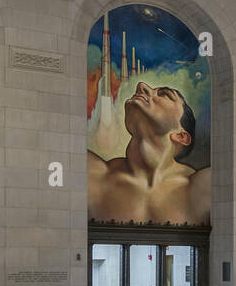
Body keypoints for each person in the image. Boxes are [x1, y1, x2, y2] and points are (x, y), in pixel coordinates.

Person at [88, 80, 210, 226]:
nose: (141, 86)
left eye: (165, 95)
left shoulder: (204, 186)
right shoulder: (92, 174)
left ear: (181, 136)